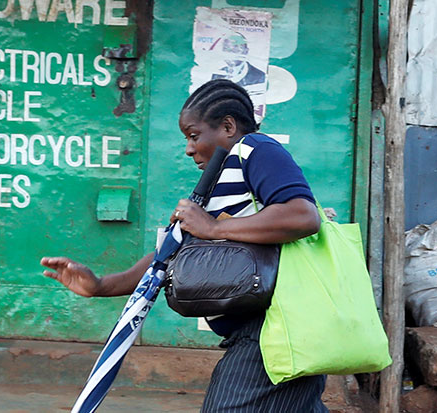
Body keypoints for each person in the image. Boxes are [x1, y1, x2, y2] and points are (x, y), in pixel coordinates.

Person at [40, 79, 327, 412]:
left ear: (228, 126)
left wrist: (214, 226)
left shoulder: (256, 149)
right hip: (260, 333)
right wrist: (103, 285)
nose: (189, 149)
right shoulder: (220, 180)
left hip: (272, 332)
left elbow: (303, 216)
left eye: (193, 136)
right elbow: (172, 256)